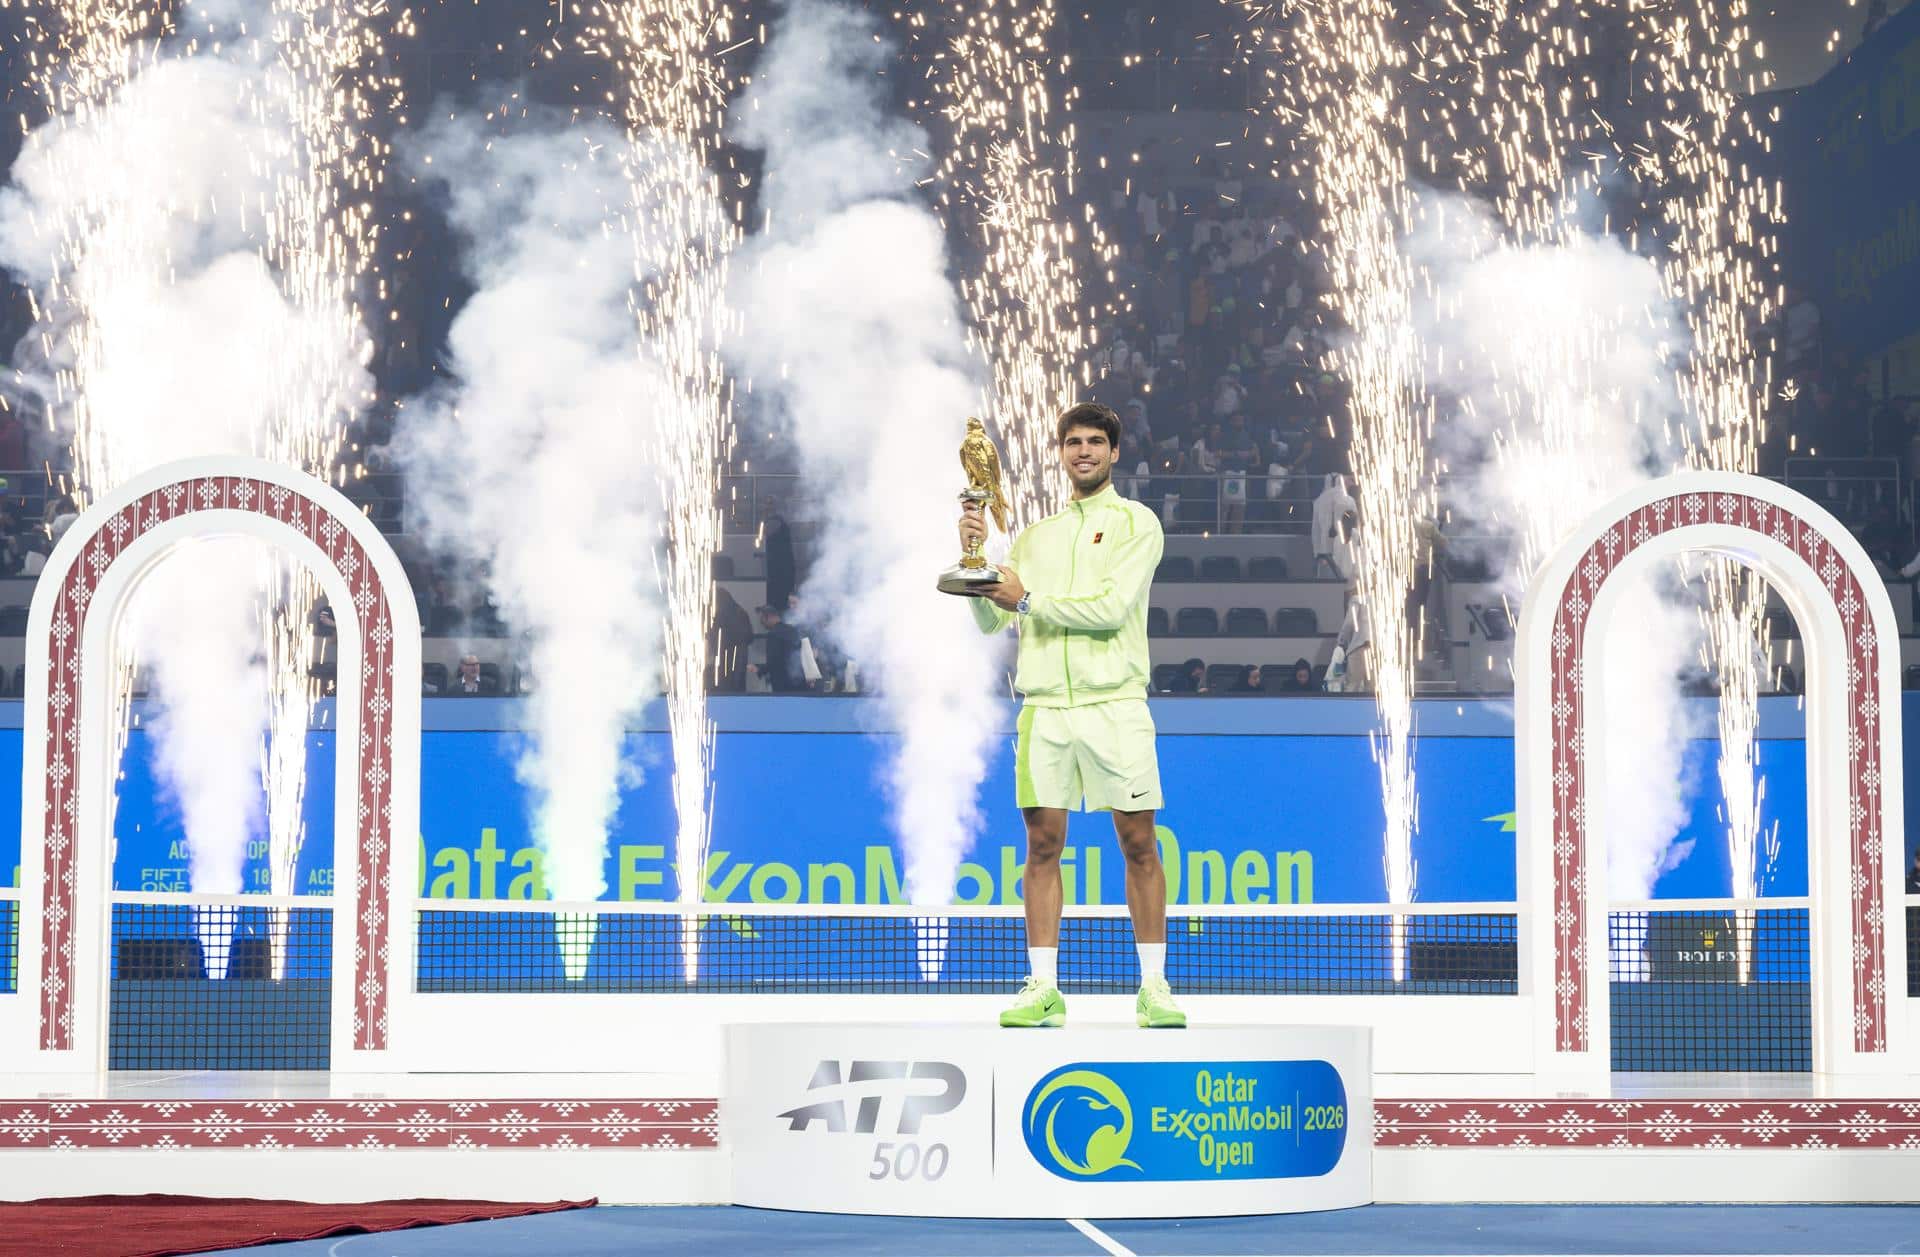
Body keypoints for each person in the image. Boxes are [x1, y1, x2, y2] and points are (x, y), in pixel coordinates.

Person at [961, 401, 1185, 1030]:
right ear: (1060, 454)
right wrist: (976, 560)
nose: (1083, 451)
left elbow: (1111, 610)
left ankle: (1155, 987)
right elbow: (991, 621)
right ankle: (1043, 989)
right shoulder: (1034, 537)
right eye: (1072, 442)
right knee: (1041, 846)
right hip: (1045, 711)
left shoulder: (1137, 524)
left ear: (1114, 452)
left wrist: (1027, 599)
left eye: (1094, 441)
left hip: (1116, 705)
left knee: (1138, 843)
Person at [750, 603, 809, 693]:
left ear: (769, 617)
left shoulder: (773, 635)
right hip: (799, 681)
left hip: (782, 684)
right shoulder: (793, 630)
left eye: (762, 619)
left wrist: (759, 670)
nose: (761, 623)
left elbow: (773, 661)